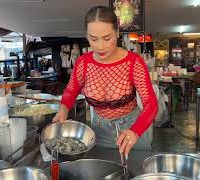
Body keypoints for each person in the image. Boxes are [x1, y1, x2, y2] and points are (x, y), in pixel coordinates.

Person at [52, 6, 158, 157]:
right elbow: (71, 90)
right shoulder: (84, 63)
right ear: (87, 35)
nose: (100, 47)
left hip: (131, 130)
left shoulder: (133, 63)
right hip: (99, 130)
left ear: (117, 33)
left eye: (107, 38)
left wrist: (135, 131)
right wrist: (63, 109)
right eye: (93, 39)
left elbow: (151, 104)